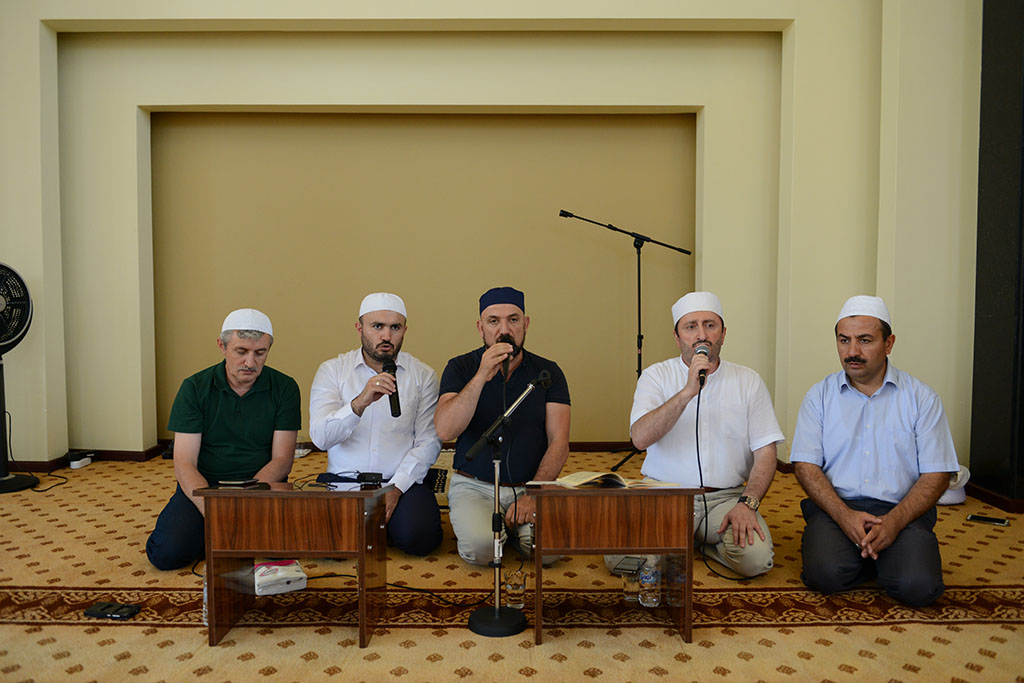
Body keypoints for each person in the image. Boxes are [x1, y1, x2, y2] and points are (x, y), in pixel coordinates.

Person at [790, 295, 958, 606]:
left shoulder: (921, 398)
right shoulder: (819, 396)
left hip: (902, 511)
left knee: (918, 587)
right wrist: (844, 516)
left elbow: (938, 473)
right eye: (844, 340)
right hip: (838, 509)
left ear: (888, 343)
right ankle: (875, 557)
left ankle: (873, 555)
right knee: (824, 574)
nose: (852, 351)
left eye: (864, 340)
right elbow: (805, 466)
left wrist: (894, 523)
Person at [616, 291, 784, 577]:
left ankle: (693, 544)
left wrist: (748, 504)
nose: (701, 335)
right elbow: (640, 438)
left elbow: (766, 451)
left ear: (723, 334)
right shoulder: (656, 376)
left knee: (755, 560)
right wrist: (686, 393)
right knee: (621, 559)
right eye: (691, 327)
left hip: (725, 498)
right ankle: (688, 541)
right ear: (677, 337)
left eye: (710, 325)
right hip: (664, 495)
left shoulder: (748, 380)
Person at [145, 309, 300, 570]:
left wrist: (243, 504)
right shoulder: (195, 388)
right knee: (166, 554)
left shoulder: (285, 387)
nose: (250, 362)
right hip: (205, 487)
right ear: (222, 346)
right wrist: (215, 512)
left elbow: (282, 460)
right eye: (241, 351)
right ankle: (223, 535)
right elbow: (184, 463)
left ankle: (220, 537)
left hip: (262, 487)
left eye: (260, 353)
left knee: (297, 542)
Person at [434, 286, 571, 565]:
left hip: (529, 484)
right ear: (480, 328)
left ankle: (517, 531)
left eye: (513, 319)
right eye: (493, 321)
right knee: (482, 549)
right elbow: (446, 431)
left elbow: (559, 441)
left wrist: (534, 493)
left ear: (526, 324)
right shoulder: (460, 367)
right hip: (475, 485)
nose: (504, 330)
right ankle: (503, 533)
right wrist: (482, 375)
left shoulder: (549, 372)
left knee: (550, 552)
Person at [308, 292, 443, 555]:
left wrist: (396, 488)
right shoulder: (332, 370)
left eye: (395, 327)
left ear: (405, 330)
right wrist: (359, 403)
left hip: (401, 482)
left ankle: (386, 524)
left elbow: (428, 441)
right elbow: (321, 438)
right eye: (377, 326)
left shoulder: (423, 375)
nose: (386, 336)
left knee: (420, 537)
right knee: (324, 542)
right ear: (359, 328)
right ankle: (377, 528)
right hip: (344, 481)